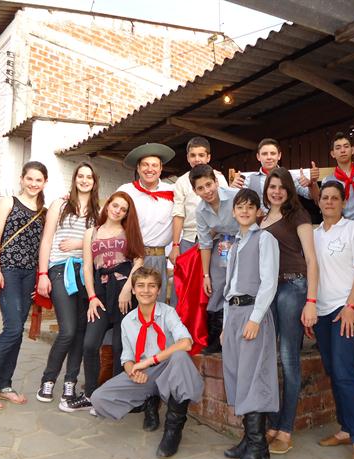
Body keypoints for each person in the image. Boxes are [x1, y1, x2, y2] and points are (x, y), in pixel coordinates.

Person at [91, 267, 204, 459]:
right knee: (99, 397)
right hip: (146, 374)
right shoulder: (128, 321)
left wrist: (150, 360)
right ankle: (149, 401)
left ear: (159, 290)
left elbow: (186, 343)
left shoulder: (168, 312)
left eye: (152, 286)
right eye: (141, 286)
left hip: (170, 370)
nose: (146, 290)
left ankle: (173, 429)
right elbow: (126, 358)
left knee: (179, 357)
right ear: (133, 290)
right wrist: (132, 371)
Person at [59, 192, 144, 414]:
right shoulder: (91, 233)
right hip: (100, 292)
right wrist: (92, 298)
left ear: (127, 213)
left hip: (124, 292)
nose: (118, 211)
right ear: (107, 206)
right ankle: (91, 394)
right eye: (115, 205)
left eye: (123, 209)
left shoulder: (129, 232)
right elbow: (88, 267)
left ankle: (114, 397)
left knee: (119, 347)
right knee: (90, 343)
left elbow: (138, 261)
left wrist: (128, 288)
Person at [0, 161, 48, 411]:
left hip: (28, 274)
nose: (34, 184)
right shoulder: (9, 202)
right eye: (30, 179)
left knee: (17, 332)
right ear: (22, 179)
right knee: (13, 329)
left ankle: (3, 385)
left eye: (39, 180)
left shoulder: (44, 211)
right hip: (8, 271)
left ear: (44, 182)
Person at [259, 168, 319, 454]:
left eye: (282, 187)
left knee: (288, 359)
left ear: (290, 190)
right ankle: (272, 423)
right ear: (266, 189)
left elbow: (311, 260)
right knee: (268, 357)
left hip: (293, 288)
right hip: (268, 291)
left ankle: (285, 429)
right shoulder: (261, 219)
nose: (277, 191)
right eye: (272, 186)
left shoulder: (299, 215)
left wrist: (311, 300)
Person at [313, 181, 354, 459]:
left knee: (344, 369)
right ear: (319, 201)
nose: (330, 202)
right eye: (325, 197)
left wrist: (350, 306)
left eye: (335, 198)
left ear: (343, 201)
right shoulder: (313, 235)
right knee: (331, 368)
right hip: (321, 312)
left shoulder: (353, 229)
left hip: (346, 308)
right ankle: (345, 429)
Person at [221, 189, 279, 459]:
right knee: (238, 376)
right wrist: (223, 326)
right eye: (239, 206)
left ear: (259, 211)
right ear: (233, 212)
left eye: (250, 206)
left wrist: (256, 318)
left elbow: (269, 282)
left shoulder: (264, 239)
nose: (244, 211)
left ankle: (258, 448)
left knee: (254, 378)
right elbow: (228, 287)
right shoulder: (234, 244)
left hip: (252, 312)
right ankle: (250, 440)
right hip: (233, 314)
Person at [35, 162, 101, 404]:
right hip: (61, 270)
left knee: (82, 332)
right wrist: (43, 274)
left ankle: (70, 383)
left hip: (86, 273)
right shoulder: (59, 204)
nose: (84, 180)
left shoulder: (99, 210)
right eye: (80, 176)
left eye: (89, 177)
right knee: (68, 330)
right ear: (74, 179)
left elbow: (97, 243)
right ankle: (48, 379)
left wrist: (78, 244)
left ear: (94, 182)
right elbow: (47, 240)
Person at [118, 143, 175, 303]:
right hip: (129, 257)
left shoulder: (172, 191)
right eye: (145, 165)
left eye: (154, 165)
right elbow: (109, 217)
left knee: (156, 305)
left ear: (161, 168)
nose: (150, 169)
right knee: (127, 305)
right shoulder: (126, 190)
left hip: (158, 258)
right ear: (138, 168)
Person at [191, 164, 239, 354]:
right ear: (195, 191)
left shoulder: (235, 196)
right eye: (200, 188)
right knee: (217, 284)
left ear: (216, 182)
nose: (207, 191)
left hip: (244, 241)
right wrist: (205, 275)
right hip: (222, 245)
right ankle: (216, 337)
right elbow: (204, 243)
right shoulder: (200, 211)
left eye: (209, 184)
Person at [169, 136, 228, 267]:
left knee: (216, 280)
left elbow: (226, 208)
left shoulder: (218, 178)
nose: (197, 159)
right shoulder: (181, 182)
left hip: (216, 238)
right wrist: (175, 245)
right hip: (190, 238)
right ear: (188, 158)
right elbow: (178, 214)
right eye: (193, 155)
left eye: (201, 155)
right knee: (189, 281)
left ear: (208, 157)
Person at [231, 138, 318, 213]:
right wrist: (232, 189)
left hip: (286, 223)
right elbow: (235, 202)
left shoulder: (289, 176)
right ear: (258, 157)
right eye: (264, 154)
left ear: (279, 156)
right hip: (260, 226)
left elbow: (312, 196)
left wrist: (312, 184)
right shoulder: (250, 179)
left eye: (273, 153)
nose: (269, 157)